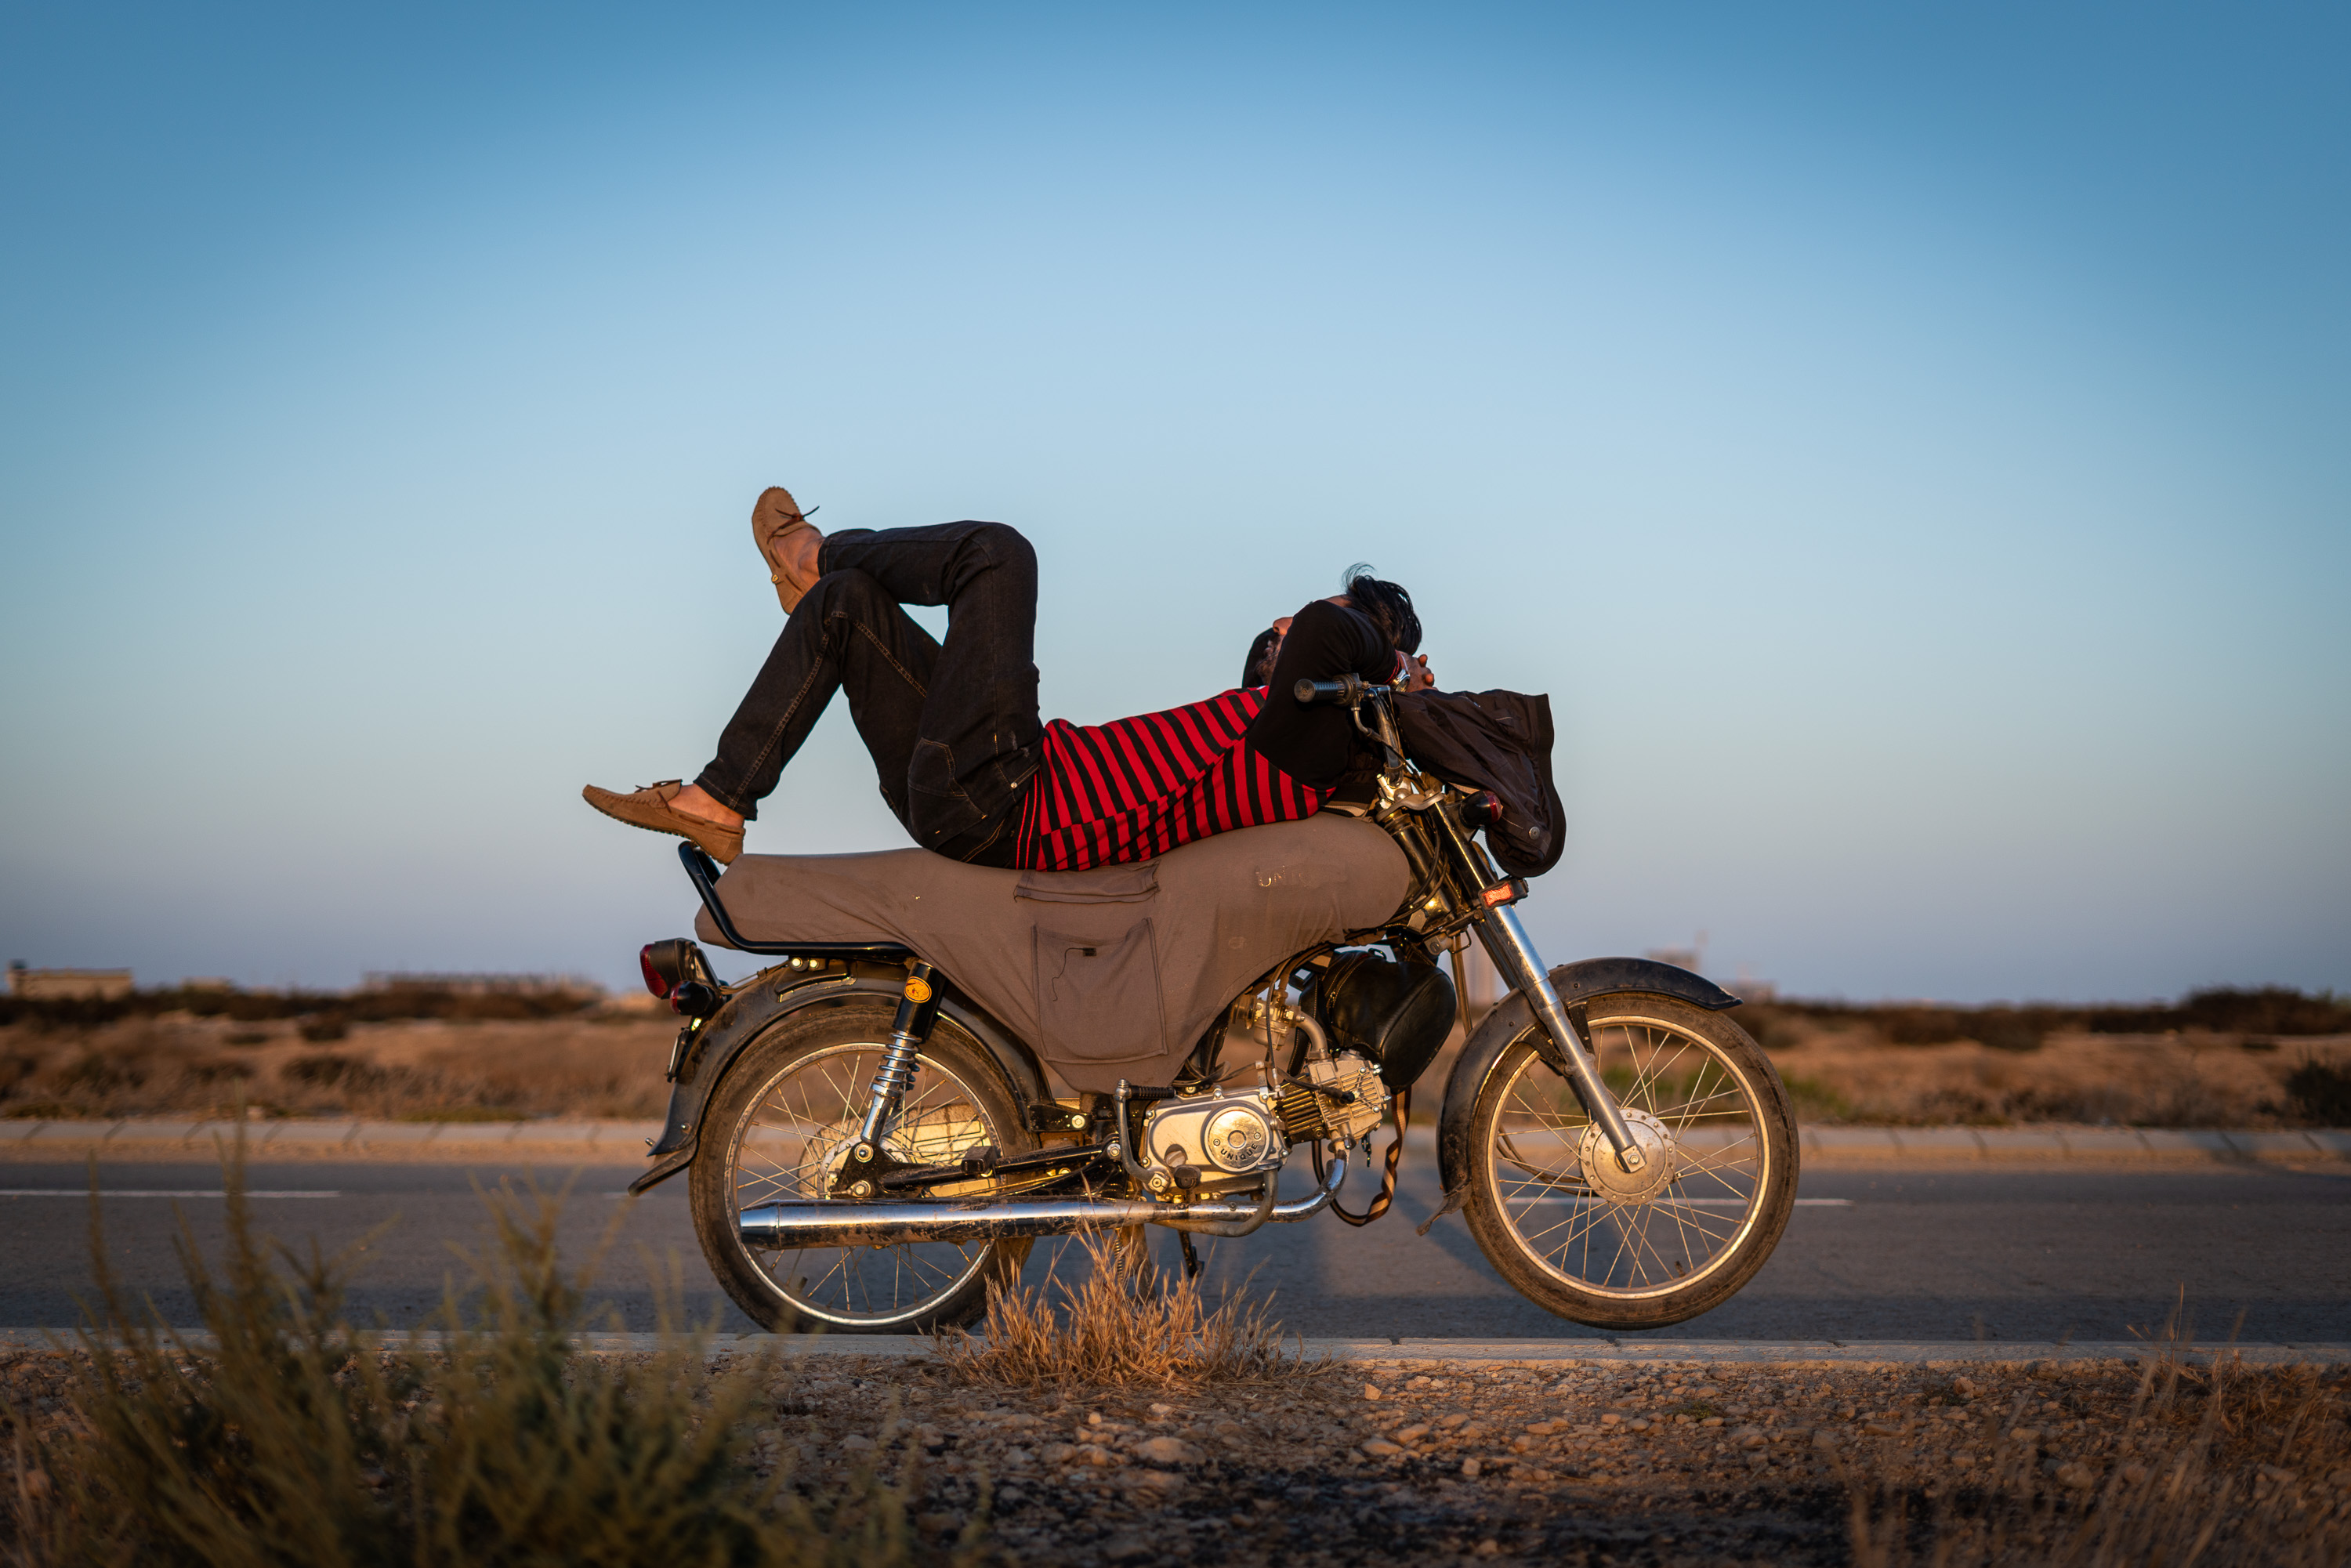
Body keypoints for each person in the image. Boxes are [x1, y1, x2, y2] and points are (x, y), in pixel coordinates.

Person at [583, 487, 1433, 869]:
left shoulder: (1312, 740)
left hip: (1011, 797)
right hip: (983, 784)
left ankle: (812, 554)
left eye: (1308, 617)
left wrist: (1387, 666)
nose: (1282, 624)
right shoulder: (1262, 722)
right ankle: (720, 800)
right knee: (845, 609)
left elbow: (1323, 631)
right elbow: (1306, 638)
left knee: (1000, 554)